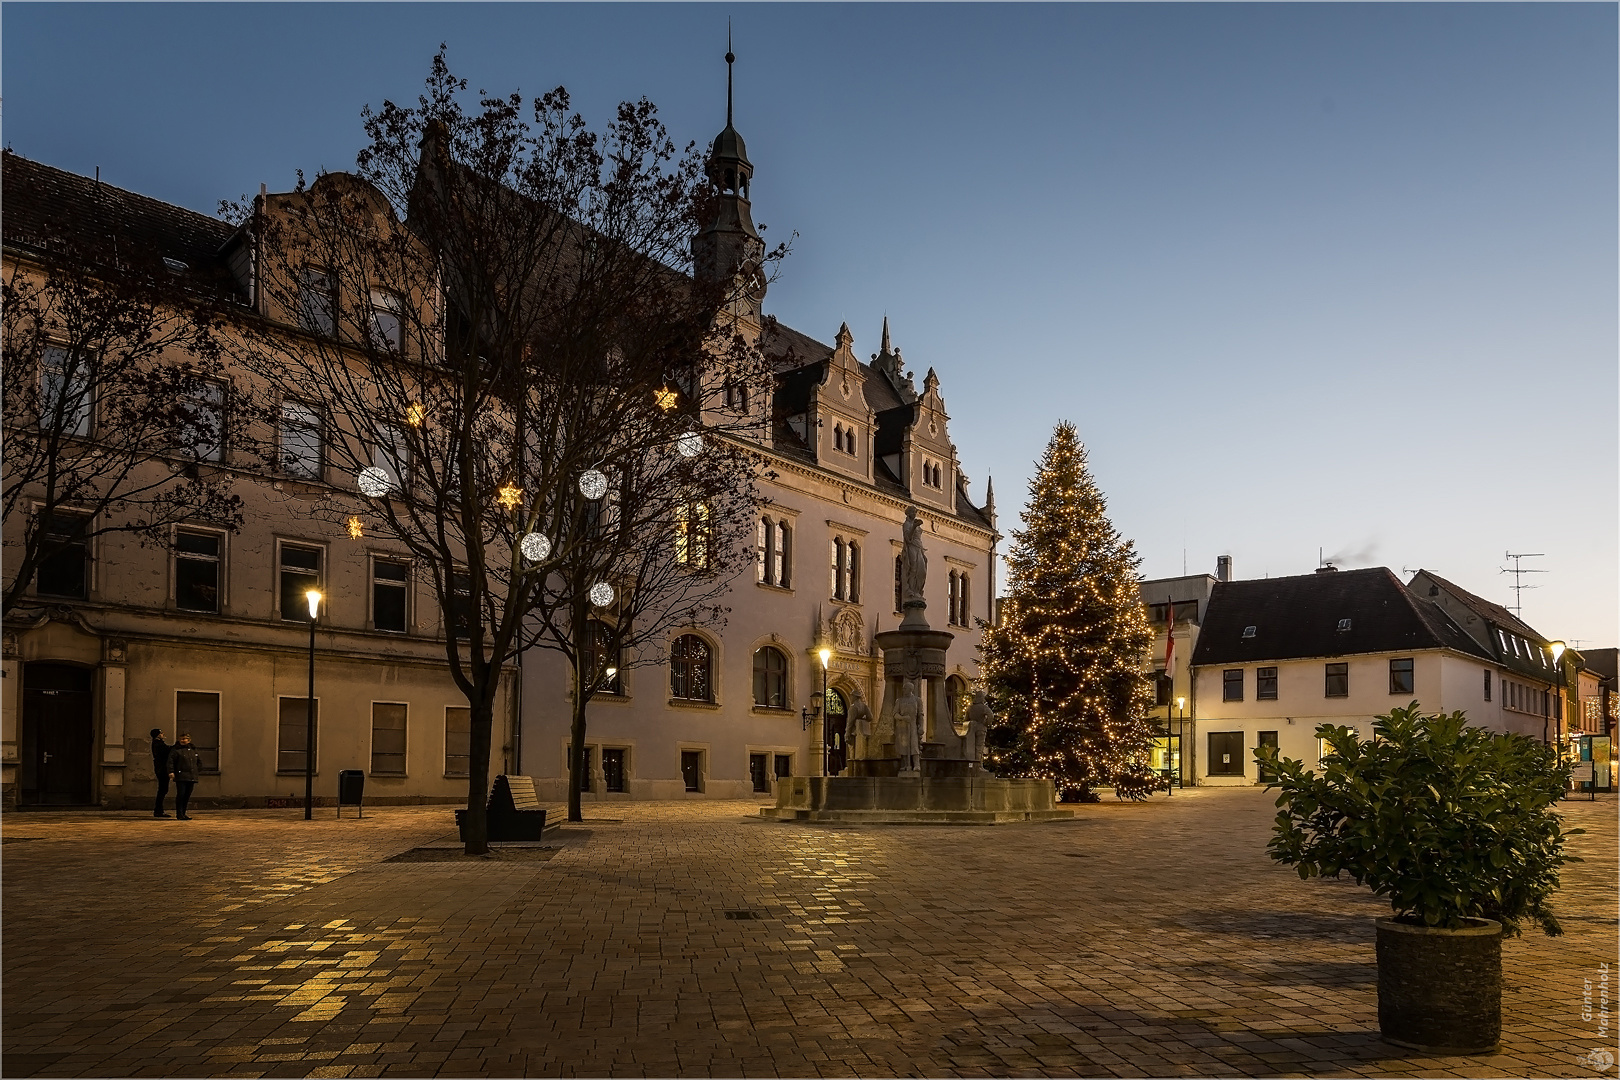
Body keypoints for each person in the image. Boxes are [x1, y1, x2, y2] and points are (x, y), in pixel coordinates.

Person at [169, 733, 202, 820]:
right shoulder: (176, 750)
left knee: (187, 795)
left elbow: (198, 761)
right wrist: (171, 771)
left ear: (189, 740)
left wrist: (196, 770)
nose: (183, 740)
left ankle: (183, 813)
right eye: (181, 739)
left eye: (185, 739)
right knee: (181, 794)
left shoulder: (193, 750)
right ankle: (179, 813)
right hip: (181, 775)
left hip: (191, 776)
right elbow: (170, 761)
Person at [150, 728, 172, 818]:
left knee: (163, 790)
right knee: (163, 789)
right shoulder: (158, 744)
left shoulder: (158, 743)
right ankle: (158, 810)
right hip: (162, 769)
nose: (163, 734)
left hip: (161, 769)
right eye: (161, 733)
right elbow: (167, 750)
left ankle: (159, 810)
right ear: (158, 735)